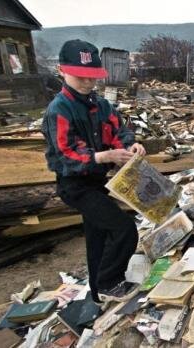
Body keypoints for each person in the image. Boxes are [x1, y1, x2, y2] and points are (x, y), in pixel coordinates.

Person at [42, 39, 146, 303]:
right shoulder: (59, 109)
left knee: (97, 236)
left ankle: (97, 292)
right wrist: (103, 156)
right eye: (81, 77)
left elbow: (119, 131)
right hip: (74, 184)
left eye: (92, 78)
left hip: (96, 181)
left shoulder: (101, 105)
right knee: (124, 228)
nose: (88, 83)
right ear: (62, 72)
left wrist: (130, 145)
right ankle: (110, 282)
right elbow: (66, 153)